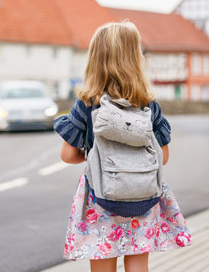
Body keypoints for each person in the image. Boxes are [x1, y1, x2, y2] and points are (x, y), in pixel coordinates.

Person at [53, 21, 193, 272]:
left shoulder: (89, 103)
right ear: (135, 58)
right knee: (138, 262)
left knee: (103, 262)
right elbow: (164, 156)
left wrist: (96, 158)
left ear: (96, 59)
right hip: (143, 196)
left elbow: (67, 154)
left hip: (101, 196)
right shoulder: (149, 104)